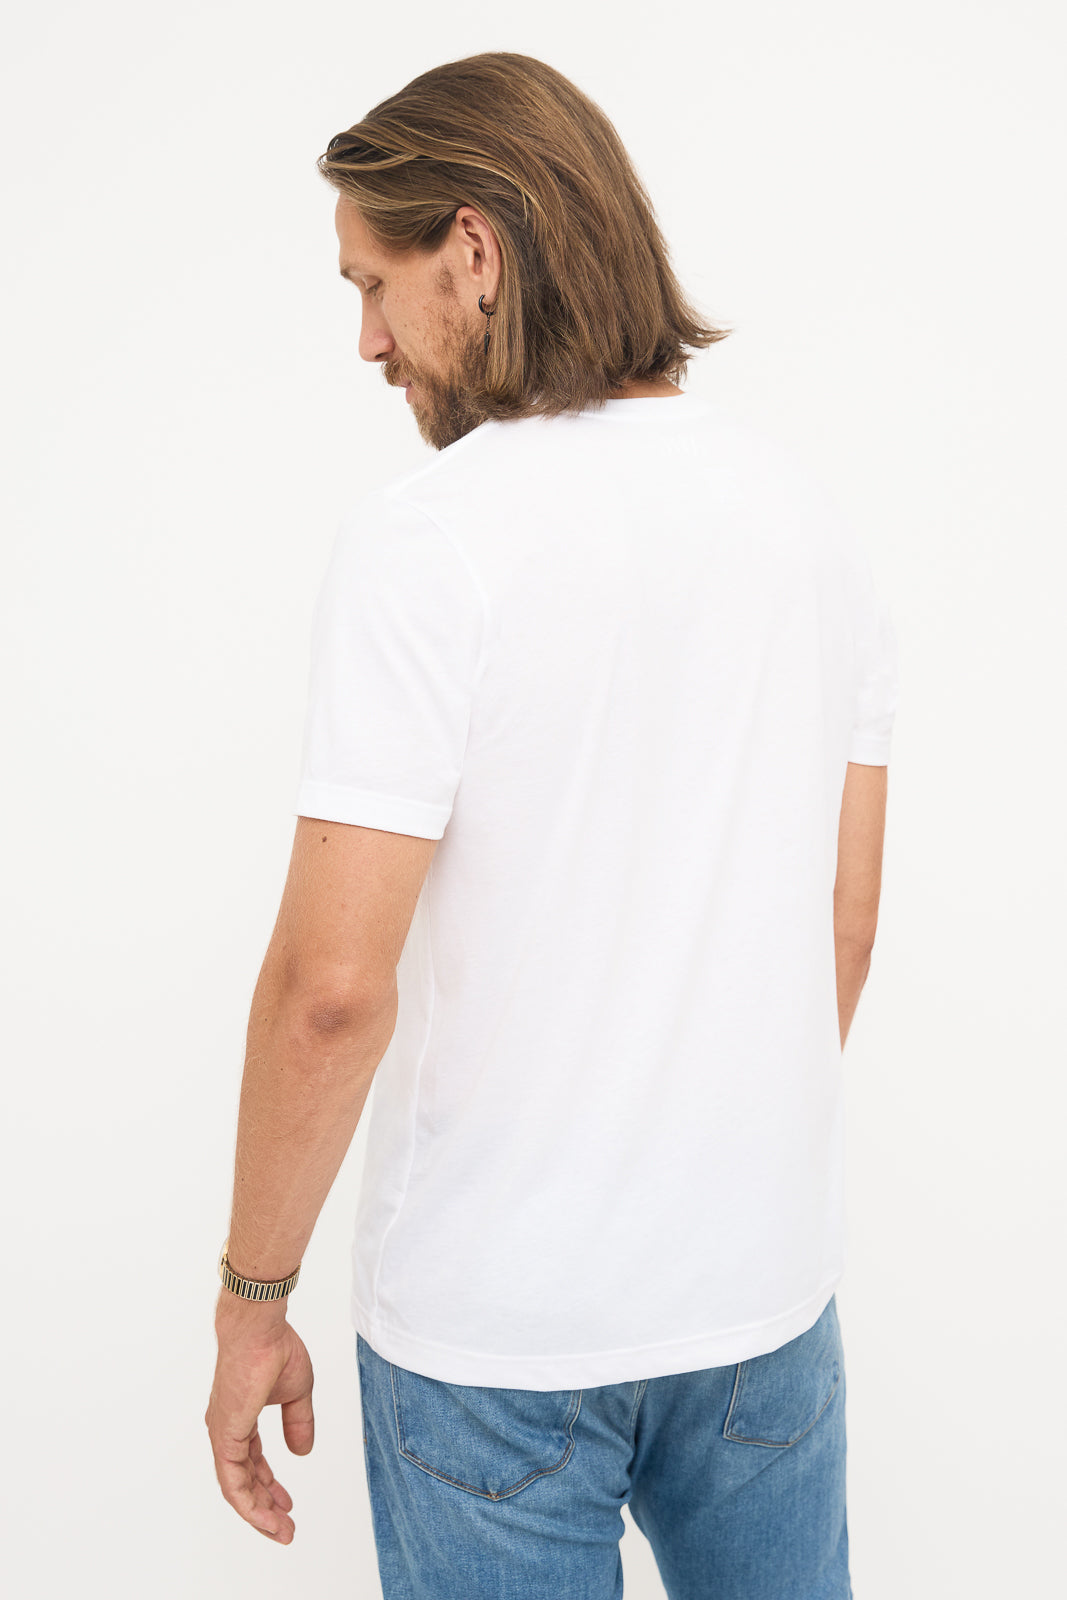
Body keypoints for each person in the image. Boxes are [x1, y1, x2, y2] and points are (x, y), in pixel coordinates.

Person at [205, 51, 897, 1600]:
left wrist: (254, 1297)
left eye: (376, 284)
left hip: (493, 1338)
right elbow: (841, 926)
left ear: (477, 248)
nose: (367, 340)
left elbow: (331, 989)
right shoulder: (808, 522)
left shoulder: (430, 544)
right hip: (761, 1308)